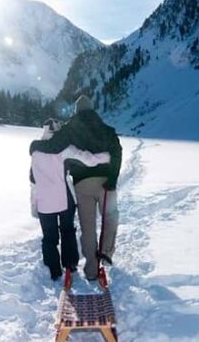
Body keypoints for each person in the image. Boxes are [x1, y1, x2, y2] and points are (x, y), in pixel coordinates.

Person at [30, 95, 122, 280]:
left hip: (82, 184)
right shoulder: (107, 129)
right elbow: (116, 153)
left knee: (87, 227)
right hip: (106, 183)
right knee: (110, 216)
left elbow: (53, 146)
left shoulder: (70, 128)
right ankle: (105, 252)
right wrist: (112, 177)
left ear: (76, 111)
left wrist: (35, 145)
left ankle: (91, 270)